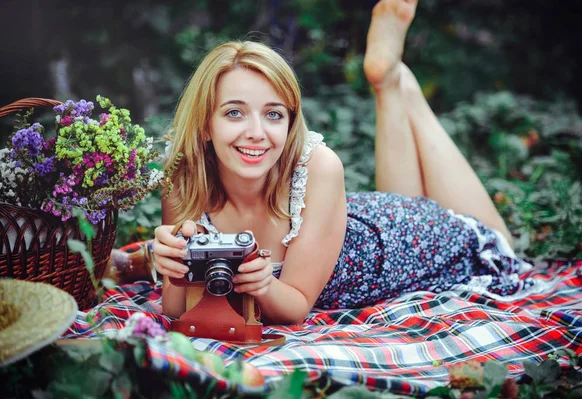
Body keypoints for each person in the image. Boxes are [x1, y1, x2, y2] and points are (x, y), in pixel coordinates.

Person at [152, 0, 533, 325]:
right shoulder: (184, 176)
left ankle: (394, 81)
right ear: (204, 124)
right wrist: (172, 271)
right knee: (401, 196)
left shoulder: (318, 167)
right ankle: (391, 81)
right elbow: (176, 306)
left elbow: (297, 306)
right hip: (358, 222)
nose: (257, 132)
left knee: (500, 244)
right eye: (234, 113)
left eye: (273, 115)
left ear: (290, 120)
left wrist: (263, 285)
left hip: (419, 239)